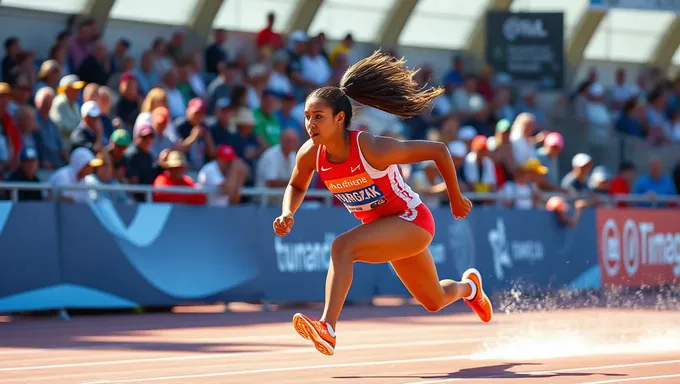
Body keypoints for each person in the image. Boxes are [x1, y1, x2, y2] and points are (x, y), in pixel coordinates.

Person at [272, 51, 491, 356]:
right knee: (434, 300)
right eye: (307, 117)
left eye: (318, 117)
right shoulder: (310, 153)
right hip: (382, 228)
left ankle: (328, 328)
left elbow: (439, 150)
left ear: (339, 119)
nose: (310, 124)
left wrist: (456, 199)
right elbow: (296, 184)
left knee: (342, 246)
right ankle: (471, 288)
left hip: (412, 222)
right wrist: (287, 211)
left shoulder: (371, 148)